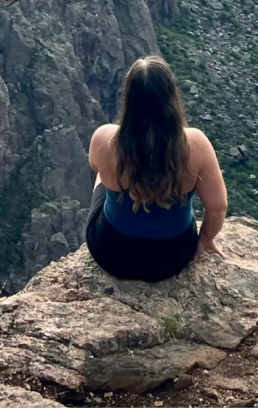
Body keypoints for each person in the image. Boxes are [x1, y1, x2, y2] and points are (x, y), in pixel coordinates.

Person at [85, 55, 228, 282]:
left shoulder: (104, 139)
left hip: (111, 253)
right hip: (173, 258)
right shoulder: (196, 144)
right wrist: (206, 238)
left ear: (129, 99)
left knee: (102, 176)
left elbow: (94, 165)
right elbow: (217, 206)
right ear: (172, 98)